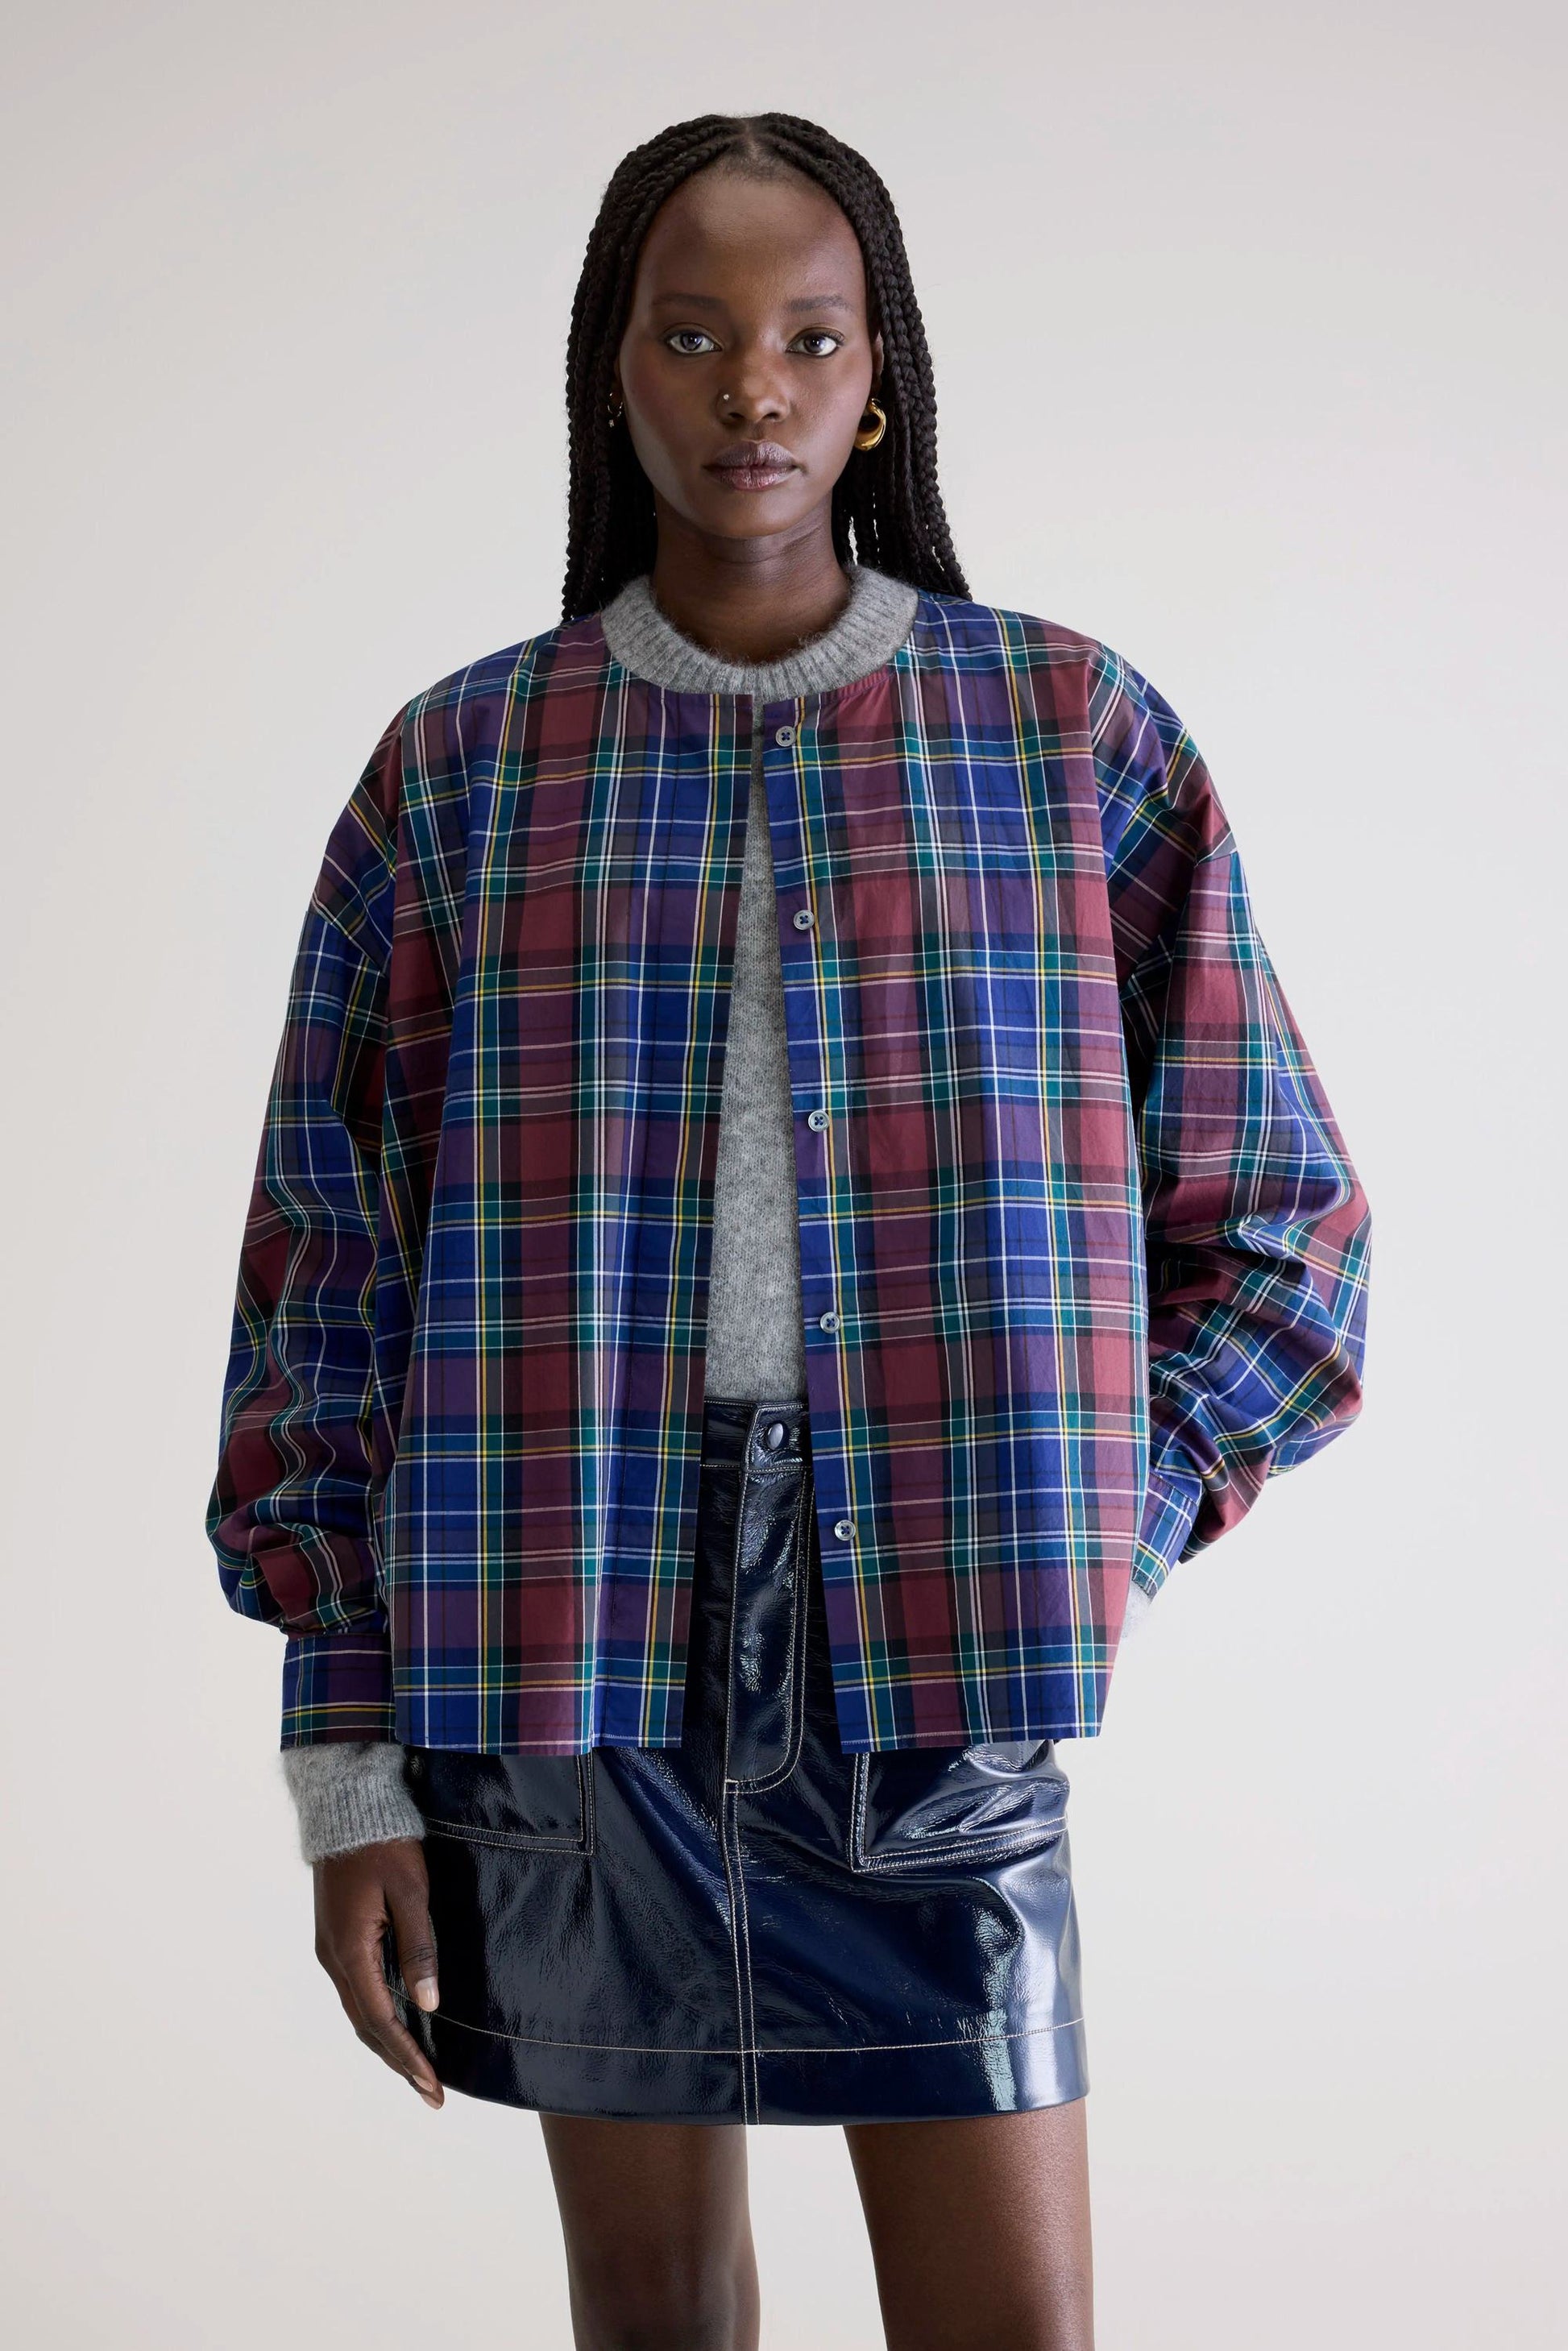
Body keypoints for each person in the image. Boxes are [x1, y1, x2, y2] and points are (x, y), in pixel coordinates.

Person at [205, 110, 1371, 2351]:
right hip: (556, 1651)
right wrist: (347, 1765)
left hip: (930, 1665)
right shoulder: (460, 770)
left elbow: (1283, 1234)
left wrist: (1093, 1520)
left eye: (809, 338)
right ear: (611, 371)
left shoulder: (1066, 734)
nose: (752, 386)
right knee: (653, 2323)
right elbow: (321, 1290)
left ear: (879, 379)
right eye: (692, 335)